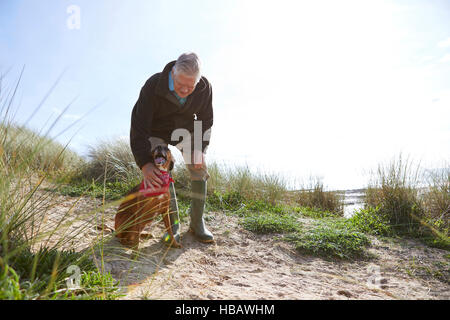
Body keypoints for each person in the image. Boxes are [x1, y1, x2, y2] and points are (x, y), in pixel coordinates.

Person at [129, 52, 214, 245]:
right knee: (160, 170)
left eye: (190, 86)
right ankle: (172, 226)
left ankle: (197, 223)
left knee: (198, 166)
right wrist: (144, 163)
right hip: (156, 130)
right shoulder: (153, 86)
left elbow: (205, 119)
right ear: (173, 73)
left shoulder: (204, 88)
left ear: (198, 81)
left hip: (185, 131)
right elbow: (139, 126)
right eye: (180, 84)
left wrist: (200, 147)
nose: (184, 90)